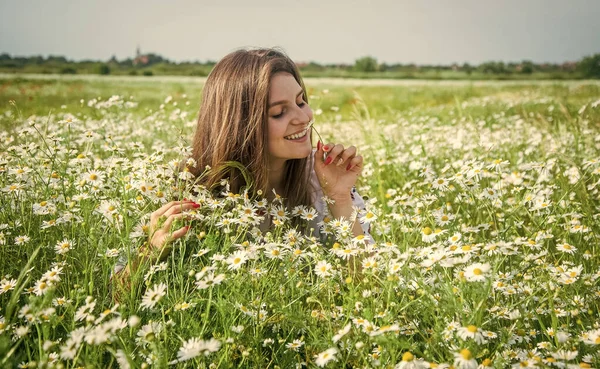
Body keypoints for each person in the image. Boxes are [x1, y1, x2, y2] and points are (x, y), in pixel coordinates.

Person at [113, 48, 371, 295]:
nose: (304, 118)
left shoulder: (320, 180)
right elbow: (117, 298)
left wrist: (338, 197)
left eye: (301, 101)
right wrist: (150, 251)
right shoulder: (186, 188)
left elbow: (369, 287)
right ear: (239, 126)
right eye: (279, 113)